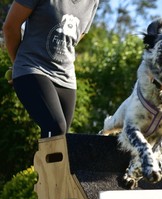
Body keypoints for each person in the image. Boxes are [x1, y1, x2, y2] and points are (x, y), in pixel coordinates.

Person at [2, 0, 99, 138]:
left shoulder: (92, 2)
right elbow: (10, 27)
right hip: (32, 66)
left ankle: (40, 160)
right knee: (56, 127)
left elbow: (78, 34)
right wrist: (17, 63)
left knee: (61, 139)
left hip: (66, 77)